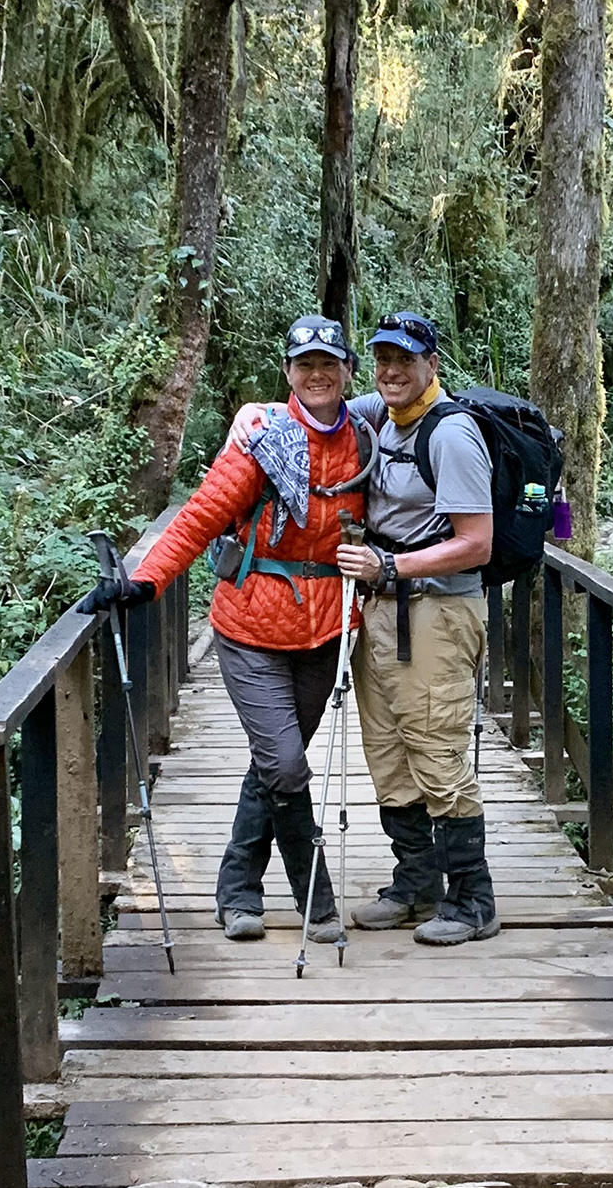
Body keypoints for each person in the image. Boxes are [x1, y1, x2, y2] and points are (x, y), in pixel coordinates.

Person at [78, 317, 368, 943]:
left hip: (329, 630)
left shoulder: (367, 439)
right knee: (287, 763)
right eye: (303, 365)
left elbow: (414, 414)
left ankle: (236, 891)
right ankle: (316, 903)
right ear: (288, 371)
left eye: (329, 363)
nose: (316, 375)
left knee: (274, 762)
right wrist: (145, 581)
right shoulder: (261, 436)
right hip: (251, 626)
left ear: (347, 371)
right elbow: (200, 516)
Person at [231, 311, 499, 947]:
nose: (393, 370)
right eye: (383, 358)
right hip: (381, 608)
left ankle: (473, 898)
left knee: (436, 749)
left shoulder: (452, 435)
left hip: (435, 610)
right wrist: (255, 413)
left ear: (433, 364)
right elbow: (312, 402)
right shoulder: (381, 415)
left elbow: (479, 543)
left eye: (407, 359)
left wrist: (392, 564)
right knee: (387, 752)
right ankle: (415, 884)